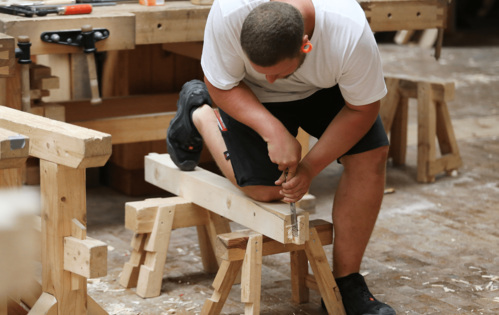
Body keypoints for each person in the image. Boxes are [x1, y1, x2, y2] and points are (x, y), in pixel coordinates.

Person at [166, 0, 394, 314]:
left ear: (306, 45)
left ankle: (346, 283)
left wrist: (311, 166)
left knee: (370, 155)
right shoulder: (228, 14)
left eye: (279, 72)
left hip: (323, 90)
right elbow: (221, 85)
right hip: (248, 93)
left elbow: (363, 108)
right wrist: (273, 131)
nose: (272, 80)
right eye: (264, 72)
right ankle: (199, 112)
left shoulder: (348, 31)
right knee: (265, 190)